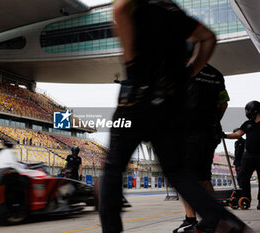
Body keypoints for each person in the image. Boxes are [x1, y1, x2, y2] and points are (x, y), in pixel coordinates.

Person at [99, 0, 251, 232]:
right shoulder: (175, 14)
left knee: (113, 167)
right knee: (177, 170)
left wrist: (131, 62)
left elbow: (119, 8)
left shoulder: (140, 8)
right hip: (169, 105)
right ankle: (224, 219)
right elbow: (208, 37)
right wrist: (190, 71)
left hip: (135, 99)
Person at [173, 64, 230, 233]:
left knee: (183, 176)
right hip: (210, 132)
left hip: (188, 132)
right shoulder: (215, 73)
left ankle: (191, 220)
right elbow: (224, 103)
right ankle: (214, 218)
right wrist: (212, 121)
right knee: (204, 177)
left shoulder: (181, 70)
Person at [224, 100, 260, 210]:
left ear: (255, 110)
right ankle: (246, 198)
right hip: (248, 155)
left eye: (248, 110)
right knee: (242, 176)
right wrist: (223, 135)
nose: (247, 113)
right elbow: (237, 134)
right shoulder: (247, 124)